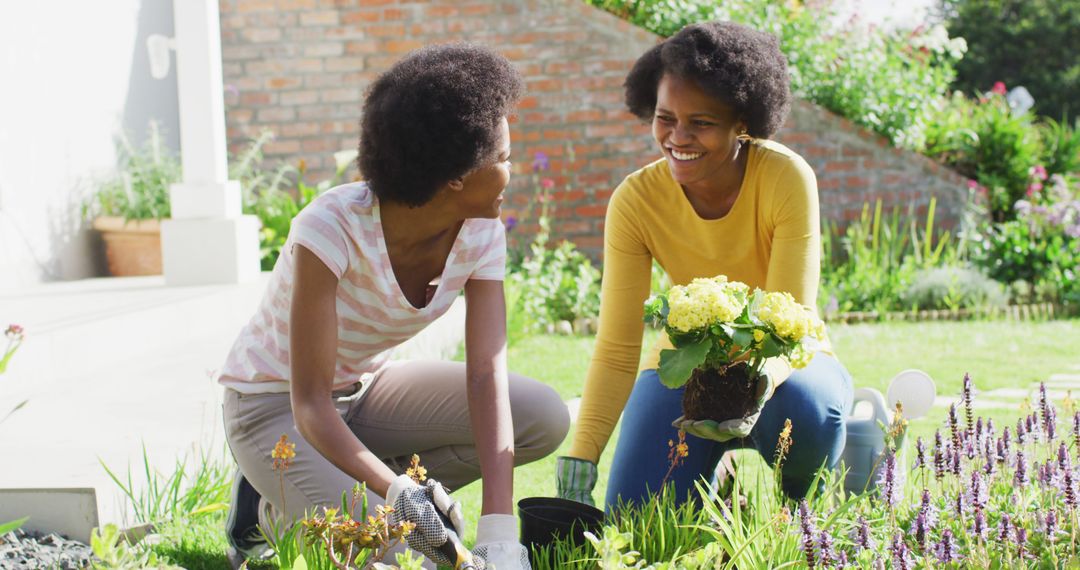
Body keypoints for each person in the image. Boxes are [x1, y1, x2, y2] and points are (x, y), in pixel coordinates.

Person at [219, 43, 568, 569]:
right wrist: (398, 492)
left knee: (541, 417)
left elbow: (485, 374)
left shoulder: (480, 231)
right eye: (503, 159)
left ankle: (338, 487)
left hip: (365, 394)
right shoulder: (330, 229)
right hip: (273, 407)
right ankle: (266, 510)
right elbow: (309, 402)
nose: (511, 172)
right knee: (406, 553)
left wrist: (499, 531)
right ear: (456, 176)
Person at [555, 21, 853, 510]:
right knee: (637, 518)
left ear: (743, 123)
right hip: (685, 364)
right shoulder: (635, 201)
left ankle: (802, 509)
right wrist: (583, 453)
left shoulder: (785, 178)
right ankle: (714, 482)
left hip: (787, 367)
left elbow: (790, 321)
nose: (679, 137)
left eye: (702, 123)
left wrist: (742, 391)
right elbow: (616, 346)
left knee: (808, 411)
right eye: (665, 118)